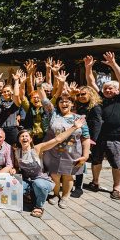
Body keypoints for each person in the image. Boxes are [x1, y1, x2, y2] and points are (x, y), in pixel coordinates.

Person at [12, 117, 86, 218]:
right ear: (19, 139)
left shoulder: (37, 149)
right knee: (14, 185)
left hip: (41, 179)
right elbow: (16, 167)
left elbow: (57, 139)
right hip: (27, 180)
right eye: (22, 136)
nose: (24, 138)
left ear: (30, 139)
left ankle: (39, 206)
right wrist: (14, 170)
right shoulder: (17, 152)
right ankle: (30, 194)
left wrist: (74, 127)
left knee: (39, 185)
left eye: (26, 136)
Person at [39, 73, 90, 209]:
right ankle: (55, 194)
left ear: (72, 104)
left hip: (72, 153)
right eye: (61, 101)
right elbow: (44, 100)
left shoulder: (79, 118)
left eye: (67, 101)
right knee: (55, 175)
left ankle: (65, 197)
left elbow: (85, 137)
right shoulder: (53, 114)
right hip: (53, 152)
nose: (64, 103)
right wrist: (40, 85)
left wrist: (86, 155)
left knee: (68, 176)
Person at [84, 52, 120, 200]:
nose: (108, 90)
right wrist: (88, 68)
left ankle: (116, 188)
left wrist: (113, 64)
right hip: (99, 137)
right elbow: (91, 82)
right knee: (96, 161)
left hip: (115, 137)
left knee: (116, 164)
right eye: (106, 88)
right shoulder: (101, 99)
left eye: (111, 88)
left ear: (117, 90)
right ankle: (95, 182)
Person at [71, 85, 103, 198]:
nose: (80, 96)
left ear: (90, 94)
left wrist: (90, 144)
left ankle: (79, 187)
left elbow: (96, 126)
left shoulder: (95, 107)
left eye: (83, 94)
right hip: (76, 138)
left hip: (87, 139)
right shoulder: (80, 106)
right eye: (78, 94)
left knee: (80, 162)